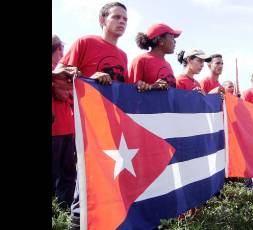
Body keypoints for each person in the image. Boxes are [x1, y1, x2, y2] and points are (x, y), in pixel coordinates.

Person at [55, 2, 129, 229]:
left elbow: (122, 91)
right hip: (88, 127)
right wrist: (88, 77)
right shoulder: (85, 43)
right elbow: (59, 75)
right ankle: (76, 224)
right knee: (87, 183)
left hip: (114, 129)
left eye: (125, 19)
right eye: (116, 17)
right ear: (102, 20)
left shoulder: (123, 55)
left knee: (110, 183)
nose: (122, 22)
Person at [52, 35, 77, 211]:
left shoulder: (64, 71)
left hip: (68, 128)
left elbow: (71, 97)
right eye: (59, 48)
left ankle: (64, 210)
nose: (62, 52)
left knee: (68, 174)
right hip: (54, 130)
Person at [127, 23, 181, 91]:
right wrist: (152, 87)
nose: (175, 41)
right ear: (160, 40)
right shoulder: (141, 60)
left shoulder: (168, 65)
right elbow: (130, 91)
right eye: (172, 37)